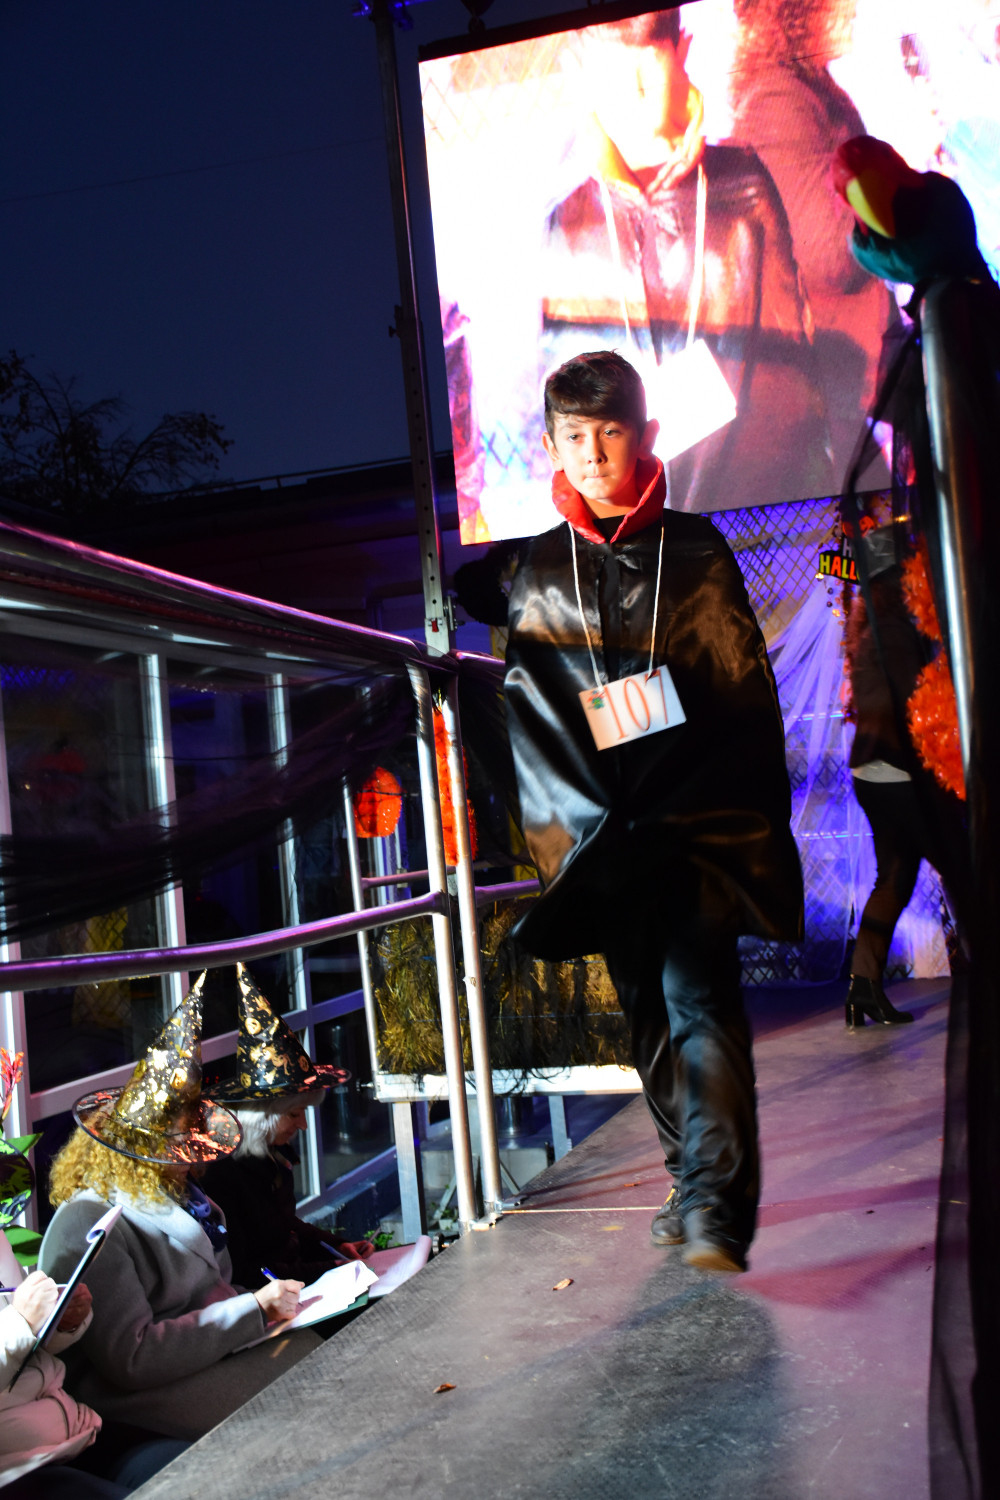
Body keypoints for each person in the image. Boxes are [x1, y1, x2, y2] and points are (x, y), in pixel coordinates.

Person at [503, 350, 803, 1272]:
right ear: (552, 445)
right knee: (645, 1010)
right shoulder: (539, 571)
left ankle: (718, 1202)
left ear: (646, 436)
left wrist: (734, 808)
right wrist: (561, 840)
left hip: (693, 821)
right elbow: (533, 720)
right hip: (603, 837)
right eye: (574, 438)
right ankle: (687, 1174)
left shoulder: (696, 549)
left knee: (698, 994)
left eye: (610, 433)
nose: (593, 455)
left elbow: (740, 689)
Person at [539, 10, 834, 513]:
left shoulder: (742, 187)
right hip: (633, 532)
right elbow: (566, 414)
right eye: (610, 69)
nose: (630, 91)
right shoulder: (569, 220)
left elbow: (791, 385)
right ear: (579, 70)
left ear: (683, 52)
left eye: (646, 66)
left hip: (756, 513)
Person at [39, 976, 322, 1442]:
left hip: (205, 1356)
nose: (195, 1155)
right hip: (134, 1392)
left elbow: (211, 1291)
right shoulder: (88, 1221)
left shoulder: (181, 1193)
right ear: (139, 1146)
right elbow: (131, 1358)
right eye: (183, 1144)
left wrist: (263, 1306)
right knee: (301, 1392)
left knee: (315, 1356)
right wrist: (252, 1310)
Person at [730, 0, 896, 487]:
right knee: (872, 522)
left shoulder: (810, 89)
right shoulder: (778, 100)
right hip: (836, 381)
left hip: (857, 375)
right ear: (798, 10)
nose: (855, 9)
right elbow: (830, 256)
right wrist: (896, 185)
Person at [201, 963, 372, 1290]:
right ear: (260, 1116)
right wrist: (330, 1270)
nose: (303, 1126)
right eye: (294, 1114)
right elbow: (247, 1269)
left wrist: (337, 1246)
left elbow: (286, 1226)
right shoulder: (221, 1176)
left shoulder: (271, 1154)